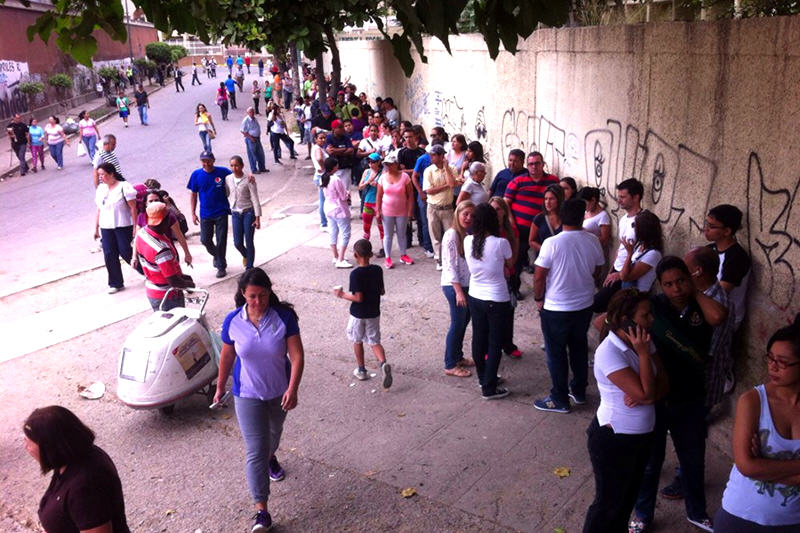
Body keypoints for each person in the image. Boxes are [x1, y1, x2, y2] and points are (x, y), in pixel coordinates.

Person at [628, 256, 722, 533]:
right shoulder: (654, 306)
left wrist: (695, 290)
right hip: (657, 395)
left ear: (690, 279)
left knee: (692, 458)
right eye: (668, 284)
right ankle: (643, 514)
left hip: (691, 395)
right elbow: (615, 326)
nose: (676, 289)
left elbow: (718, 317)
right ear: (661, 286)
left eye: (681, 281)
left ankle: (696, 511)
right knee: (650, 462)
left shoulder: (701, 306)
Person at [215, 268, 305, 532]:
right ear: (243, 294)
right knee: (255, 450)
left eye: (263, 296)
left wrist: (293, 388)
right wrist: (220, 387)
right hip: (247, 393)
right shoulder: (233, 321)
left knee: (273, 435)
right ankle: (261, 512)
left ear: (270, 292)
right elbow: (227, 357)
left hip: (280, 391)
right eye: (253, 296)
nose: (258, 302)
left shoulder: (284, 318)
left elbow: (297, 356)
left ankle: (271, 457)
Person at [582, 289, 665, 533]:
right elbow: (647, 394)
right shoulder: (610, 352)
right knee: (607, 505)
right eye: (645, 315)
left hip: (641, 437)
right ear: (624, 320)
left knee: (626, 501)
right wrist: (642, 357)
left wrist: (648, 394)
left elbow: (663, 384)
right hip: (614, 440)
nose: (651, 321)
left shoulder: (643, 341)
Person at [714, 324, 800, 531]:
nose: (773, 366)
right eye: (770, 358)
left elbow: (754, 468)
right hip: (740, 514)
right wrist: (754, 467)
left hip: (792, 521)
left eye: (783, 362)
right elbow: (746, 466)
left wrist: (763, 466)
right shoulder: (753, 401)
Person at [533, 198, 605, 413]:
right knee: (579, 348)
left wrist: (539, 299)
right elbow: (599, 268)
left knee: (556, 353)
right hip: (584, 305)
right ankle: (579, 391)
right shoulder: (592, 240)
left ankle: (559, 398)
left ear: (562, 217)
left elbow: (539, 276)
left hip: (556, 308)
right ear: (582, 215)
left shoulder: (552, 243)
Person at [23, 405, 130, 533]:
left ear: (50, 447)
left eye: (29, 443)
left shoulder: (85, 486)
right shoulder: (72, 458)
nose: (26, 447)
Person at [464, 203, 513, 400]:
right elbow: (510, 264)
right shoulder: (501, 243)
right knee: (495, 343)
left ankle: (483, 377)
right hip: (497, 297)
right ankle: (489, 387)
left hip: (475, 295)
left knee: (479, 338)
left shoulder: (468, 241)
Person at [334, 238, 393, 387]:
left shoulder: (356, 274)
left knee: (357, 340)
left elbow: (358, 298)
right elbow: (382, 291)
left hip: (358, 314)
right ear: (371, 254)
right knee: (374, 341)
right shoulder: (377, 270)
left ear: (355, 255)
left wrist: (341, 295)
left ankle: (361, 369)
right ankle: (383, 363)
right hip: (374, 312)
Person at [505, 151, 559, 298]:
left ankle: (546, 290)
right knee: (516, 260)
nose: (534, 167)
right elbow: (506, 204)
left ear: (543, 164)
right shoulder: (517, 181)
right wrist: (511, 223)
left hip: (543, 228)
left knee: (544, 260)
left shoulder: (553, 181)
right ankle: (513, 289)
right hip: (520, 228)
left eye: (537, 163)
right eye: (530, 164)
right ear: (526, 165)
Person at [594, 178, 644, 313]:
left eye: (623, 197)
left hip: (628, 272)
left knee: (608, 306)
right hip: (617, 269)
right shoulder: (623, 219)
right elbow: (620, 249)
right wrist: (611, 270)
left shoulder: (643, 221)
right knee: (601, 304)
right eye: (618, 196)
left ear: (636, 197)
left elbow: (642, 254)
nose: (619, 200)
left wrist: (620, 274)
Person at [135, 201, 195, 311]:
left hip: (152, 290)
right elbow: (173, 281)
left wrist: (183, 277)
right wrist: (189, 284)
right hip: (168, 296)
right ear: (165, 221)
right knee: (177, 325)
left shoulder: (142, 233)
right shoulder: (162, 250)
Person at [441, 200, 476, 377]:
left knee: (463, 322)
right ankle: (450, 364)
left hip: (467, 285)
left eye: (472, 215)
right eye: (465, 214)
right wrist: (459, 292)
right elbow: (449, 266)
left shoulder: (467, 234)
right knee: (457, 323)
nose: (468, 218)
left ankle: (458, 356)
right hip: (454, 286)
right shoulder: (452, 235)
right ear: (458, 214)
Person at [705, 204, 751, 331]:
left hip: (726, 319)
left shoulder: (737, 258)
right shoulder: (709, 250)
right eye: (706, 223)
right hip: (706, 311)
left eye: (711, 226)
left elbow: (719, 293)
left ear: (727, 231)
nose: (706, 229)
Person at [94, 162, 138, 293]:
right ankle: (116, 282)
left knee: (126, 251)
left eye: (103, 174)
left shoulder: (124, 187)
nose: (100, 177)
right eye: (99, 175)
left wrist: (136, 227)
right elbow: (98, 209)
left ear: (111, 173)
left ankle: (148, 272)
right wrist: (95, 228)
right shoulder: (101, 189)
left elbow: (133, 208)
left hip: (123, 225)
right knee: (109, 254)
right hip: (106, 227)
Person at [187, 150, 232, 278]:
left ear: (213, 160)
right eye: (203, 161)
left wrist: (249, 176)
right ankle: (218, 257)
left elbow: (236, 177)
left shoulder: (222, 172)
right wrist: (193, 213)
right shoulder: (196, 175)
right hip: (205, 213)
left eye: (208, 161)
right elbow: (193, 195)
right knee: (205, 239)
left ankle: (221, 266)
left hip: (221, 211)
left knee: (221, 239)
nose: (206, 163)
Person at [490, 196, 522, 359]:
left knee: (509, 312)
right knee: (492, 315)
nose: (496, 213)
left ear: (504, 211)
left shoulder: (511, 230)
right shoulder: (486, 231)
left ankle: (508, 345)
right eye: (493, 209)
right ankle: (490, 348)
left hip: (508, 276)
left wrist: (507, 268)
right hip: (492, 277)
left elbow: (514, 254)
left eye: (499, 209)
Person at [375, 151, 415, 269]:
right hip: (387, 211)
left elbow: (410, 195)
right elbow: (379, 195)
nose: (389, 166)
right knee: (388, 235)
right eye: (387, 164)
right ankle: (388, 257)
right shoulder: (382, 178)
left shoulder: (405, 177)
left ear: (397, 164)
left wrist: (410, 210)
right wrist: (378, 210)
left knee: (401, 234)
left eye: (391, 164)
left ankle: (403, 254)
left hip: (401, 210)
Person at [423, 144, 456, 270]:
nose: (431, 157)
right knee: (435, 236)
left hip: (447, 208)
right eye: (431, 155)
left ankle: (450, 258)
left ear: (442, 156)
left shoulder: (451, 169)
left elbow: (452, 184)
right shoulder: (429, 171)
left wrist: (446, 169)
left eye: (434, 155)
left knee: (450, 236)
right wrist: (446, 186)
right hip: (433, 208)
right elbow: (429, 191)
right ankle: (439, 259)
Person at [227, 155, 262, 269]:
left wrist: (257, 218)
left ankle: (249, 267)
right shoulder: (228, 178)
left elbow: (255, 198)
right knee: (237, 242)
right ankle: (247, 256)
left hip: (248, 213)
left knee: (249, 240)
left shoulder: (249, 179)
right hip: (235, 214)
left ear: (242, 166)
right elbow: (227, 193)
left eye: (237, 165)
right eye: (232, 165)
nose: (234, 168)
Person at [618, 209, 664, 293]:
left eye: (634, 225)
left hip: (639, 297)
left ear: (642, 230)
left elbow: (624, 277)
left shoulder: (653, 254)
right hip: (630, 294)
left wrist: (629, 254)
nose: (633, 228)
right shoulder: (639, 246)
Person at [400, 127, 430, 253]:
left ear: (415, 137)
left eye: (410, 137)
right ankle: (407, 241)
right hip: (406, 187)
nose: (408, 139)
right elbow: (401, 171)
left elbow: (424, 171)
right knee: (407, 215)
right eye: (406, 137)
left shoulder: (422, 152)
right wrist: (415, 170)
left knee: (421, 216)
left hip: (420, 187)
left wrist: (413, 171)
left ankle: (423, 240)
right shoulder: (402, 153)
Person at [321, 158, 352, 268]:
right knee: (345, 233)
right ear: (334, 167)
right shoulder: (336, 179)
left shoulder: (324, 178)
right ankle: (341, 258)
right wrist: (348, 194)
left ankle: (335, 256)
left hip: (328, 207)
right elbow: (343, 196)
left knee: (333, 232)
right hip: (339, 209)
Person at [358, 153, 385, 255]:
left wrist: (377, 185)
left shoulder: (383, 172)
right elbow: (360, 187)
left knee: (381, 227)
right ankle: (366, 249)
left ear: (378, 162)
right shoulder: (367, 172)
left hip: (379, 203)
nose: (370, 164)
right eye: (369, 161)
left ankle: (384, 248)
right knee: (366, 227)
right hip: (368, 202)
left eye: (373, 162)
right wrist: (367, 182)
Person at [325, 119, 354, 187]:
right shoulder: (329, 138)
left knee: (346, 190)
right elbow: (330, 151)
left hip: (346, 167)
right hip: (334, 169)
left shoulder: (346, 137)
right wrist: (344, 149)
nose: (342, 129)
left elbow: (351, 150)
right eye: (340, 127)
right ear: (334, 129)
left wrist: (337, 151)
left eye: (342, 127)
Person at [240, 107, 268, 175]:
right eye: (251, 112)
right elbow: (242, 130)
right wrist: (250, 137)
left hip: (257, 138)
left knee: (260, 154)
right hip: (251, 139)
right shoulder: (246, 120)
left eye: (253, 112)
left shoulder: (254, 119)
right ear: (248, 113)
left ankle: (262, 168)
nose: (252, 113)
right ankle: (254, 169)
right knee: (252, 155)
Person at [311, 130, 328, 229]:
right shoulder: (317, 149)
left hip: (320, 175)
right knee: (323, 200)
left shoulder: (319, 148)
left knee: (323, 199)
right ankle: (324, 222)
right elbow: (319, 159)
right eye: (320, 138)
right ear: (315, 139)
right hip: (321, 175)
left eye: (324, 138)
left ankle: (325, 221)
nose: (323, 140)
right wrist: (324, 168)